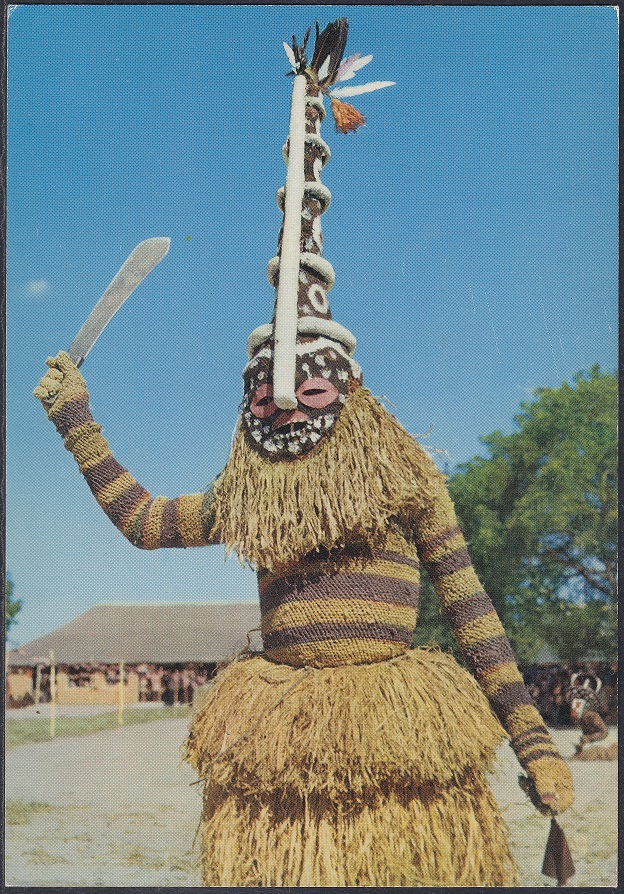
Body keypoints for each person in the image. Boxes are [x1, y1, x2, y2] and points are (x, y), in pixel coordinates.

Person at [34, 18, 573, 887]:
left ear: (352, 391)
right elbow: (144, 521)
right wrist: (77, 421)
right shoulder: (252, 496)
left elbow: (472, 612)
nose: (281, 401)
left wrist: (535, 742)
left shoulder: (404, 482)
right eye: (263, 394)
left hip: (402, 758)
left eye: (306, 389)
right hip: (282, 767)